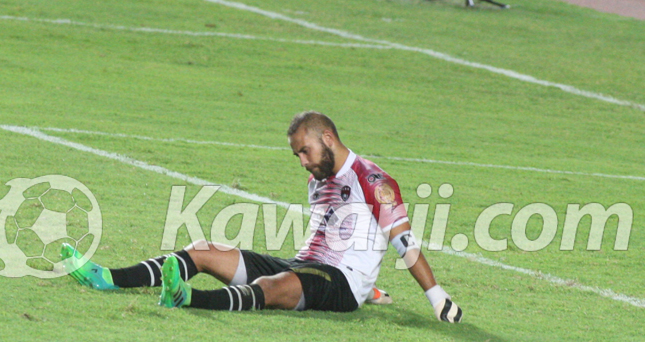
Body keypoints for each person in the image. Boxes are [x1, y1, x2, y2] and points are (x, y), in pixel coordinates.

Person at [63, 111, 462, 323]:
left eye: (304, 151)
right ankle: (109, 279)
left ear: (327, 138)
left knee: (276, 285)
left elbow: (403, 244)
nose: (302, 163)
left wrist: (437, 297)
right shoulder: (319, 179)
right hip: (307, 267)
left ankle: (188, 300)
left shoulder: (372, 180)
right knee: (203, 251)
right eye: (297, 156)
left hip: (340, 283)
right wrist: (374, 288)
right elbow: (348, 235)